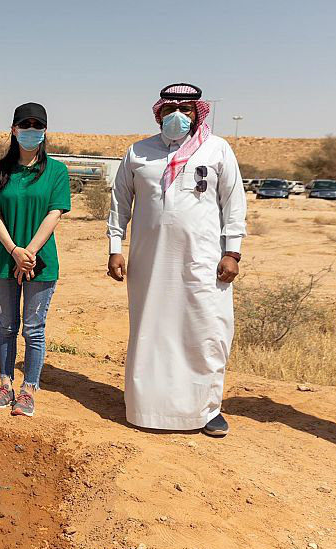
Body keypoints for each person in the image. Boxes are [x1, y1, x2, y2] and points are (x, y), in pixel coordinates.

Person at [107, 83, 247, 437]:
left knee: (205, 331)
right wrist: (114, 247)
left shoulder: (217, 150)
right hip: (149, 262)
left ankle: (207, 410)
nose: (177, 117)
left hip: (203, 261)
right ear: (159, 113)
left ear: (197, 112)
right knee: (151, 331)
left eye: (185, 109)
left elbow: (234, 203)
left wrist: (232, 252)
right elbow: (120, 203)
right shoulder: (139, 152)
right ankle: (146, 407)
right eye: (170, 110)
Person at [0, 102, 70, 418]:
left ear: (44, 131)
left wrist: (29, 252)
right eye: (25, 125)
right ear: (14, 129)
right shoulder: (2, 169)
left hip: (40, 262)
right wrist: (14, 251)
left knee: (33, 328)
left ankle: (29, 388)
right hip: (5, 259)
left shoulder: (57, 172)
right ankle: (5, 384)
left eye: (37, 126)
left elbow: (55, 212)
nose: (31, 131)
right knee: (6, 325)